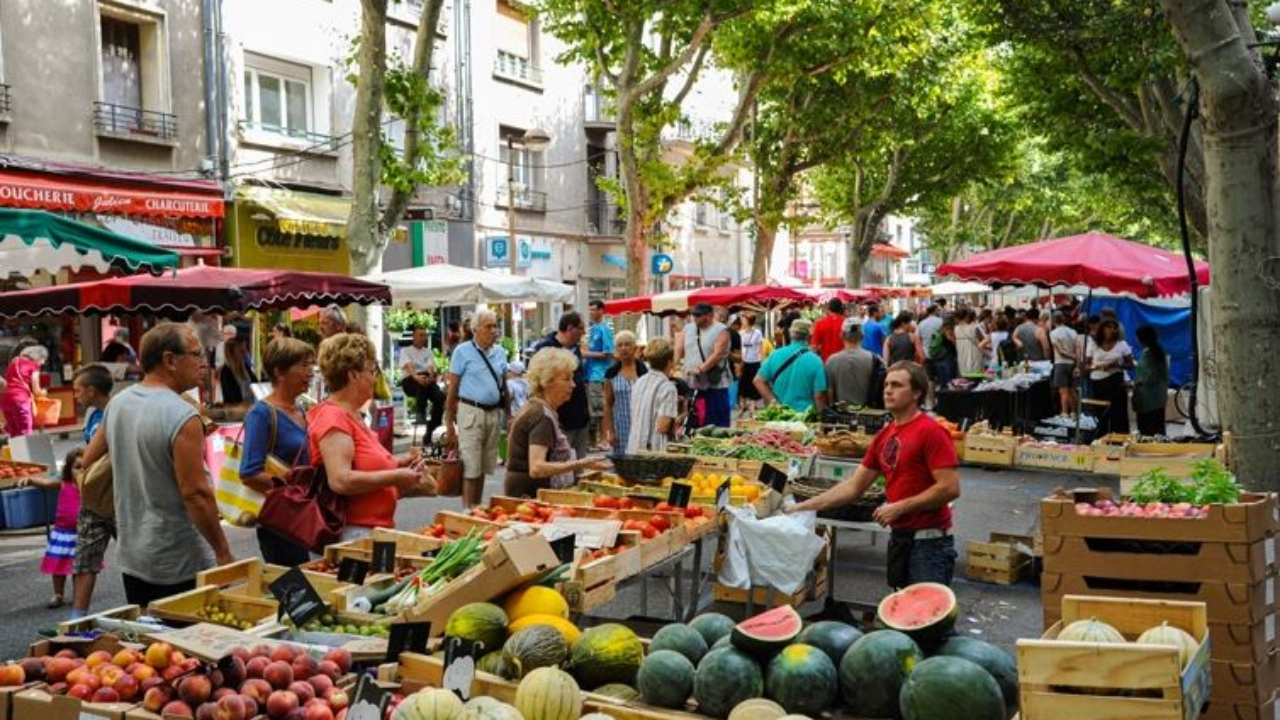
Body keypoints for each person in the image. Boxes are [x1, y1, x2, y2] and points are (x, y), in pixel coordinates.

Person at [81, 323, 233, 607]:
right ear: (169, 360)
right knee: (191, 644)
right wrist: (222, 550)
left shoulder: (119, 403)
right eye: (196, 354)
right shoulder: (182, 415)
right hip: (178, 559)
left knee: (152, 646)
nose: (202, 363)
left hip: (133, 554)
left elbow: (87, 460)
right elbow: (195, 494)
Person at [789, 361, 961, 587]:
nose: (888, 390)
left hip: (929, 543)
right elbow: (853, 487)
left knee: (928, 619)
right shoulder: (885, 436)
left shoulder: (932, 432)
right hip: (900, 537)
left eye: (897, 385)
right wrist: (801, 507)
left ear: (917, 392)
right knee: (902, 612)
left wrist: (899, 507)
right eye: (887, 384)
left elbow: (949, 488)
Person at [310, 333, 436, 540]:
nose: (375, 377)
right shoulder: (333, 417)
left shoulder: (354, 415)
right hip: (352, 534)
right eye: (371, 370)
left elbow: (364, 464)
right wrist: (395, 476)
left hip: (370, 530)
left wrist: (399, 463)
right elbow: (341, 480)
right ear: (353, 376)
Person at [239, 338, 316, 566]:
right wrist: (292, 488)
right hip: (279, 521)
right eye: (303, 366)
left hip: (303, 514)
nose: (310, 372)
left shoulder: (302, 409)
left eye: (311, 365)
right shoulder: (261, 414)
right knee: (294, 589)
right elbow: (249, 473)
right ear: (279, 371)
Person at [505, 348, 611, 498]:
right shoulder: (541, 415)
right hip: (530, 497)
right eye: (567, 379)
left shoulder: (541, 408)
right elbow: (537, 468)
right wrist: (581, 463)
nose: (573, 385)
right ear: (547, 381)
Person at [445, 310, 509, 508]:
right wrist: (449, 423)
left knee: (483, 465)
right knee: (470, 465)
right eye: (489, 326)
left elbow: (503, 386)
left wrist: (509, 415)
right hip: (470, 411)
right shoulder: (462, 351)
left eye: (495, 325)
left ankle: (477, 506)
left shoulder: (500, 352)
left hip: (493, 412)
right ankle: (467, 510)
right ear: (475, 330)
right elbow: (452, 388)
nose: (494, 330)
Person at [22, 448, 83, 609]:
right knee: (58, 565)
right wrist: (31, 480)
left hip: (80, 533)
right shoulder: (64, 483)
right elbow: (46, 483)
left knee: (79, 566)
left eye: (84, 467)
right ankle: (58, 594)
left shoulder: (89, 486)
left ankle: (80, 594)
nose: (80, 471)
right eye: (77, 467)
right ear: (68, 470)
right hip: (63, 533)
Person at [533, 312, 591, 459]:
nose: (584, 333)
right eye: (581, 328)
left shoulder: (575, 348)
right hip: (561, 421)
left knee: (579, 466)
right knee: (562, 468)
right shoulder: (546, 349)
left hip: (580, 418)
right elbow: (540, 385)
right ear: (570, 328)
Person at [754, 318, 828, 412]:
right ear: (810, 337)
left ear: (790, 335)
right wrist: (819, 416)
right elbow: (819, 396)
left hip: (779, 416)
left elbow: (758, 381)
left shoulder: (775, 354)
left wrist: (775, 404)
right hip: (805, 417)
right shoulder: (816, 361)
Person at [683, 302, 732, 427]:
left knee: (716, 422)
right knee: (696, 419)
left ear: (709, 316)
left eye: (698, 315)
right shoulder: (688, 328)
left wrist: (701, 369)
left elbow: (719, 354)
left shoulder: (721, 330)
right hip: (693, 383)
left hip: (714, 383)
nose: (695, 318)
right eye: (694, 315)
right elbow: (680, 347)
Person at [627, 338, 680, 454]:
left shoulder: (639, 381)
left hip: (634, 446)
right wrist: (677, 419)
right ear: (669, 362)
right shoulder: (668, 388)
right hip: (654, 450)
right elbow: (663, 426)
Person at [1085, 318, 1134, 435]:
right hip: (1098, 383)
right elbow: (1085, 366)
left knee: (1119, 413)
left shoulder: (1122, 345)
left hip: (1116, 382)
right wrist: (1097, 367)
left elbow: (1130, 365)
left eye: (1114, 327)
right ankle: (1102, 439)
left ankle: (1120, 439)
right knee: (1101, 413)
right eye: (1109, 327)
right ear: (1102, 329)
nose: (1112, 330)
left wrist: (1117, 364)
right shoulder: (1094, 345)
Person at [601, 331, 647, 455]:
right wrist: (610, 431)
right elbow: (608, 404)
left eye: (627, 345)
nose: (623, 349)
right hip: (620, 427)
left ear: (635, 348)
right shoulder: (611, 373)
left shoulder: (644, 372)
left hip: (641, 427)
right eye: (620, 345)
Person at [399, 327, 445, 438]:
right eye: (421, 335)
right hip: (410, 380)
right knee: (421, 385)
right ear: (414, 336)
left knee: (440, 397)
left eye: (425, 335)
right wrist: (416, 377)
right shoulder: (406, 350)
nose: (423, 338)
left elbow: (431, 367)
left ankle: (433, 424)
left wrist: (430, 377)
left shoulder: (428, 352)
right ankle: (420, 412)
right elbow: (409, 367)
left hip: (425, 379)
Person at [583, 300, 615, 450]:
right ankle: (593, 441)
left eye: (594, 310)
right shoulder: (592, 330)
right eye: (590, 310)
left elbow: (608, 353)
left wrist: (586, 354)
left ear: (602, 310)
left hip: (599, 374)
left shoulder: (605, 329)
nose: (592, 313)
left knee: (599, 408)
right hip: (589, 374)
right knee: (591, 409)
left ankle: (604, 439)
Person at [1, 344, 48, 438]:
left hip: (4, 399)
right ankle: (25, 453)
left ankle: (16, 452)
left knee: (13, 432)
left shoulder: (14, 362)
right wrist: (43, 392)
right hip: (20, 399)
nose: (42, 363)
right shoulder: (33, 365)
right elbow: (36, 390)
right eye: (43, 360)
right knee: (25, 431)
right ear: (39, 357)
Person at [825, 320, 875, 406]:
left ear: (842, 335)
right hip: (868, 414)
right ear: (862, 336)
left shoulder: (832, 361)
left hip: (841, 414)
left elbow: (829, 393)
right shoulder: (874, 359)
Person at [1133, 325, 1170, 436]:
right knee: (1158, 428)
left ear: (1141, 339)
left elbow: (1148, 376)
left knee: (1147, 431)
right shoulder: (1158, 351)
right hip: (1158, 397)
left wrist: (1136, 382)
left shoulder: (1148, 354)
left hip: (1148, 399)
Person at [1049, 312, 1080, 414]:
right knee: (1072, 390)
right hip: (1073, 364)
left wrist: (1073, 356)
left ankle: (1064, 413)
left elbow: (1061, 351)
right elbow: (1077, 349)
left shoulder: (1053, 333)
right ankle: (1075, 414)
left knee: (1063, 391)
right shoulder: (1073, 331)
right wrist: (1076, 360)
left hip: (1060, 363)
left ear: (1053, 321)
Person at [218, 339, 258, 405]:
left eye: (244, 350)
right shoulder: (226, 372)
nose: (244, 353)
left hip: (250, 406)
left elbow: (255, 383)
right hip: (236, 410)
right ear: (232, 353)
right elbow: (230, 396)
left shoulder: (245, 368)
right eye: (241, 351)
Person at [738, 313, 764, 413]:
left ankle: (752, 407)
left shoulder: (757, 333)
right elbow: (740, 348)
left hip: (755, 361)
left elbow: (761, 348)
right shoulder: (740, 333)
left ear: (749, 321)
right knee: (743, 384)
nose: (742, 322)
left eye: (744, 319)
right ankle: (742, 406)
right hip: (744, 362)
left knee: (753, 384)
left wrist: (762, 361)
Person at [954, 308, 984, 377]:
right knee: (976, 377)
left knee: (966, 379)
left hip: (962, 357)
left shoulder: (956, 328)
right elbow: (982, 341)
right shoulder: (974, 327)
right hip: (975, 356)